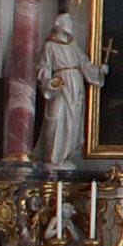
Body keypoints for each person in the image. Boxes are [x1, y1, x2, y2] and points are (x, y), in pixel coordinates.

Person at [36, 11, 104, 168]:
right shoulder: (50, 46)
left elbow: (84, 63)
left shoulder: (72, 45)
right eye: (69, 23)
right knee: (57, 118)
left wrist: (99, 70)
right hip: (61, 86)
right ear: (60, 25)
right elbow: (43, 68)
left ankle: (65, 154)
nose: (72, 25)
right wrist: (49, 83)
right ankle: (53, 157)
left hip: (76, 85)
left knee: (73, 120)